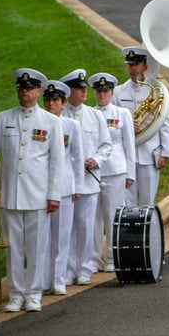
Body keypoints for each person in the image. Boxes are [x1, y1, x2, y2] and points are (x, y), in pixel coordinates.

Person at [0, 68, 64, 313]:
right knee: (13, 249)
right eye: (21, 88)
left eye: (28, 88)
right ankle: (16, 294)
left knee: (37, 248)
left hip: (39, 196)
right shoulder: (4, 118)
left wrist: (54, 194)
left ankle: (34, 294)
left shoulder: (51, 122)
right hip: (10, 195)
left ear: (39, 91)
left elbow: (56, 161)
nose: (24, 92)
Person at [60, 69, 112, 286]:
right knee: (67, 228)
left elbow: (106, 144)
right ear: (68, 91)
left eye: (84, 88)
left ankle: (84, 267)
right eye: (78, 88)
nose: (83, 92)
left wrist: (96, 160)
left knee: (86, 226)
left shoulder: (95, 115)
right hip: (67, 182)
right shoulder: (59, 117)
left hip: (89, 180)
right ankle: (68, 269)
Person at [41, 80, 84, 297]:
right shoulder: (38, 124)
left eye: (55, 100)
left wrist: (78, 184)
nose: (51, 104)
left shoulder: (71, 125)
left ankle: (58, 280)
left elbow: (78, 157)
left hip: (65, 186)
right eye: (47, 100)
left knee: (62, 236)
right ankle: (43, 280)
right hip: (41, 187)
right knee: (43, 238)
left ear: (63, 103)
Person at [89, 72, 136, 273]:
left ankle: (112, 256)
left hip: (116, 169)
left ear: (112, 92)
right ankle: (92, 259)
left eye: (106, 91)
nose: (102, 94)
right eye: (99, 91)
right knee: (94, 217)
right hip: (92, 171)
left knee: (113, 215)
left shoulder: (121, 113)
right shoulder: (89, 113)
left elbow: (129, 145)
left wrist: (130, 173)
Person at [113, 46, 169, 206]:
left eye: (135, 64)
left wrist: (165, 153)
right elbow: (111, 121)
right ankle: (129, 231)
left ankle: (148, 231)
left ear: (145, 65)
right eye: (129, 65)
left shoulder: (156, 91)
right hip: (126, 154)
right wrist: (125, 125)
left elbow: (164, 123)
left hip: (150, 154)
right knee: (127, 202)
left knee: (147, 202)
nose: (132, 69)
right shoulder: (118, 92)